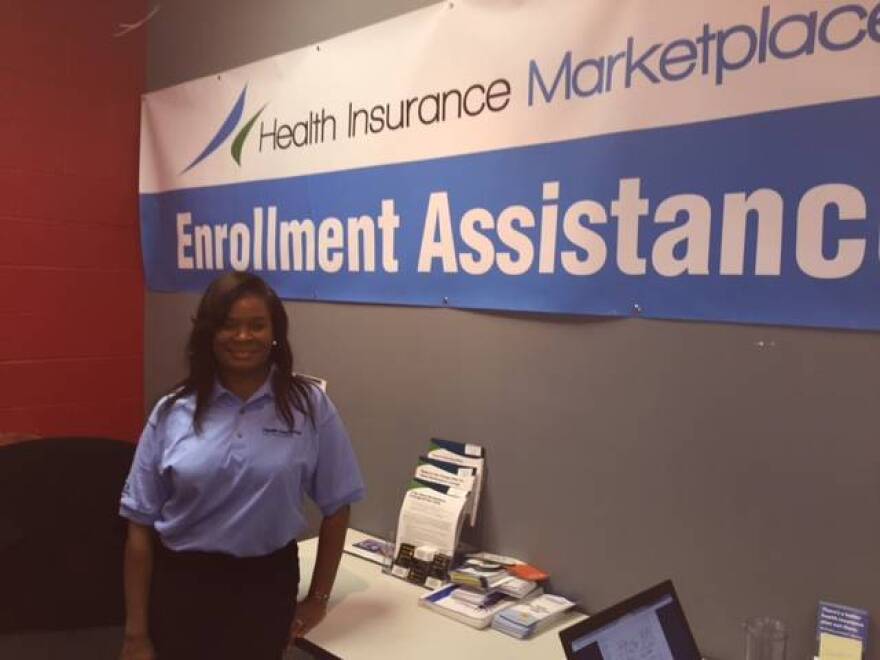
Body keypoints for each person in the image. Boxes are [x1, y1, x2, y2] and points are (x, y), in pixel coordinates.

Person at [118, 272, 364, 660]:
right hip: (182, 587)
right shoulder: (172, 412)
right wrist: (135, 634)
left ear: (275, 332)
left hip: (265, 588)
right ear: (209, 333)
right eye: (229, 325)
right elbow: (139, 525)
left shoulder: (308, 406)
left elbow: (338, 508)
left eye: (256, 325)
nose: (243, 337)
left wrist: (318, 598)